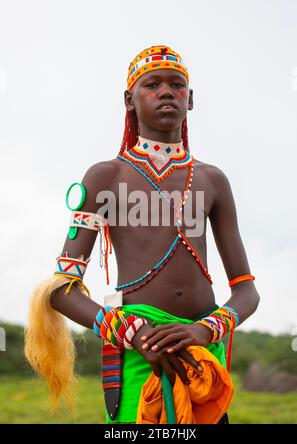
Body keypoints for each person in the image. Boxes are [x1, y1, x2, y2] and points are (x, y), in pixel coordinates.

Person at [24, 45, 260, 424]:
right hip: (136, 350)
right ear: (129, 100)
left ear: (191, 99)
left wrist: (203, 330)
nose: (167, 92)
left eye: (177, 85)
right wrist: (134, 333)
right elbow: (61, 289)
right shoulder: (106, 177)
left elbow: (246, 290)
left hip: (202, 354)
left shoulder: (213, 180)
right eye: (152, 84)